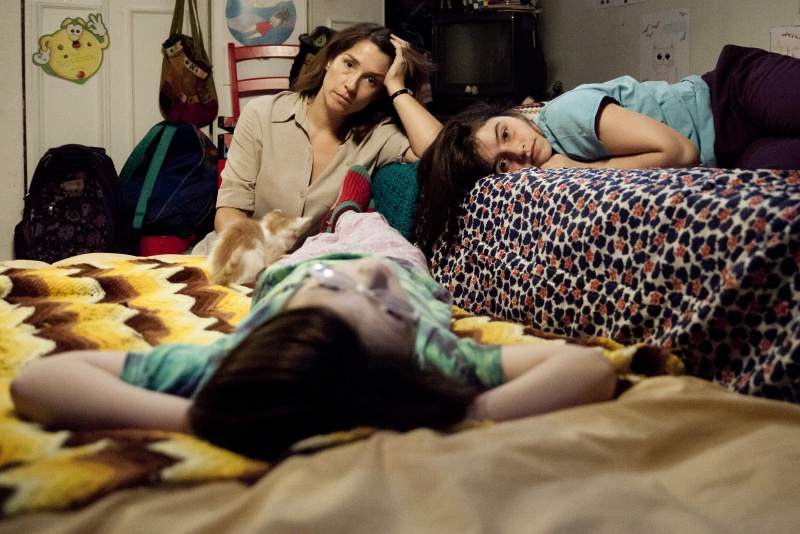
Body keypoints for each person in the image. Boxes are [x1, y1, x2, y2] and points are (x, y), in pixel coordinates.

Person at [10, 167, 616, 462]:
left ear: (276, 327)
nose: (368, 280)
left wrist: (202, 418)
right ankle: (349, 212)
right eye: (390, 311)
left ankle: (334, 221)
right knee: (374, 233)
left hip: (294, 272)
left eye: (337, 291)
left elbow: (39, 382)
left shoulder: (240, 361)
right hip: (404, 265)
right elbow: (588, 369)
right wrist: (462, 412)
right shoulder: (431, 360)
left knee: (309, 248)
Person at [412, 44, 800, 258]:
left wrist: (579, 170)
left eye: (506, 132)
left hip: (732, 95)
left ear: (511, 114)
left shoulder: (563, 116)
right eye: (502, 164)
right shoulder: (541, 177)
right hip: (732, 156)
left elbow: (681, 153)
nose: (520, 151)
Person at [193, 22, 442, 254]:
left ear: (379, 92)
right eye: (349, 64)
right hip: (234, 257)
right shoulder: (261, 114)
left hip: (306, 272)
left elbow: (440, 149)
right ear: (330, 60)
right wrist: (265, 260)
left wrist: (397, 86)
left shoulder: (377, 136)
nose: (351, 85)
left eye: (371, 80)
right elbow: (228, 213)